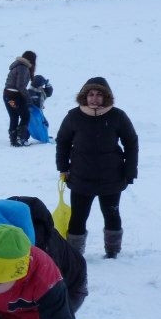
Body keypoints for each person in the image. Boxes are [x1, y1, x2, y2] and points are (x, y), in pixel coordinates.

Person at [55, 77, 139, 259]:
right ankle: (75, 255)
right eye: (91, 94)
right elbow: (62, 141)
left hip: (111, 178)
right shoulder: (74, 116)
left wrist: (129, 171)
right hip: (80, 178)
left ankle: (112, 251)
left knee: (112, 215)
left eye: (99, 95)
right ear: (84, 96)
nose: (94, 98)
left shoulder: (117, 116)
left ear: (106, 97)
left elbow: (131, 143)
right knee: (78, 218)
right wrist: (63, 167)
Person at [3, 50, 37, 147]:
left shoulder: (18, 65)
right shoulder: (23, 67)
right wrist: (29, 100)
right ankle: (20, 139)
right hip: (14, 95)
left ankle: (14, 139)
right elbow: (20, 86)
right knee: (25, 116)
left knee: (14, 117)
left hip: (7, 94)